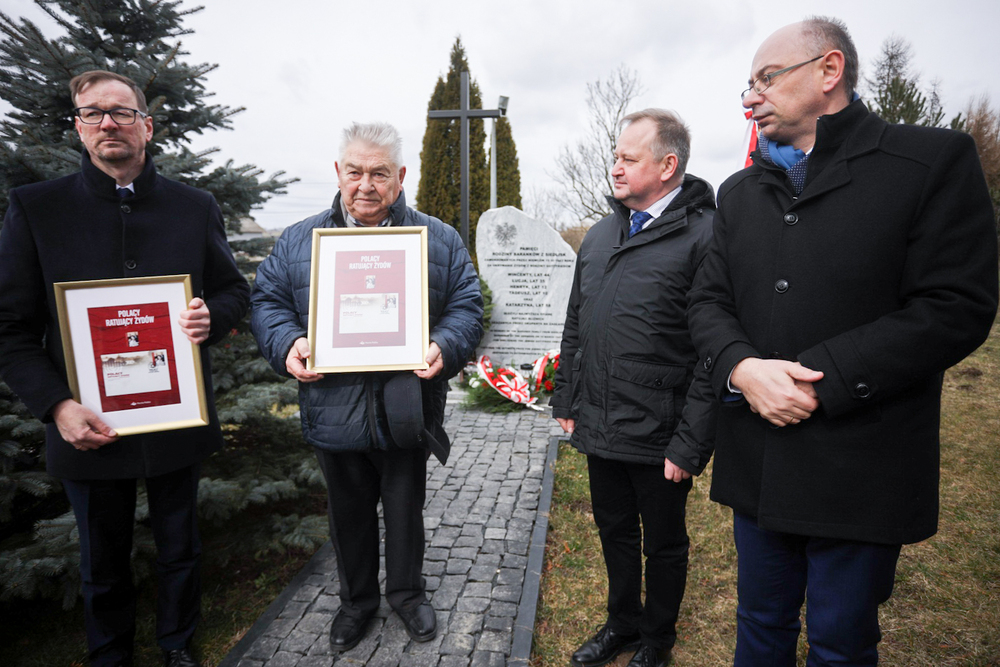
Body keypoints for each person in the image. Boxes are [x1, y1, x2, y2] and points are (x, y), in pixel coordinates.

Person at [687, 17, 999, 666]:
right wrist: (743, 369)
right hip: (760, 458)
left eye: (767, 78)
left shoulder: (929, 163)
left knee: (840, 640)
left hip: (862, 458)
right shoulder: (739, 193)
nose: (752, 97)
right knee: (761, 626)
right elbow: (708, 301)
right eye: (747, 85)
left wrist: (816, 378)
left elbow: (955, 305)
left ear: (829, 71)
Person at [0, 71, 251, 667]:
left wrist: (208, 317)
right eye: (92, 113)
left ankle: (177, 645)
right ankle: (109, 652)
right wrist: (57, 406)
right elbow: (8, 327)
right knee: (102, 553)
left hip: (176, 412)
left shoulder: (194, 207)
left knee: (179, 545)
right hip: (87, 420)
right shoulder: (37, 209)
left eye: (120, 111)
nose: (107, 122)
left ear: (147, 125)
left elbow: (233, 290)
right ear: (80, 128)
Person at [250, 121, 483, 652]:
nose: (366, 184)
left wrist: (444, 346)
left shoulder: (439, 239)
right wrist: (287, 343)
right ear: (338, 173)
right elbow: (267, 302)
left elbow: (467, 306)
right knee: (348, 515)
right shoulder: (298, 240)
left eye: (380, 173)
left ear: (400, 177)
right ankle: (356, 603)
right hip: (333, 408)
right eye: (355, 171)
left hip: (405, 409)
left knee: (405, 511)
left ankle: (407, 595)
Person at [551, 109, 718, 667]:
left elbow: (713, 351)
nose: (615, 167)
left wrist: (690, 443)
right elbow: (577, 323)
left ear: (668, 165)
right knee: (614, 529)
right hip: (601, 422)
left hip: (660, 429)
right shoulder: (601, 235)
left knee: (663, 543)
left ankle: (657, 639)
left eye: (628, 158)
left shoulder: (705, 237)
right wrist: (566, 398)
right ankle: (621, 624)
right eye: (615, 157)